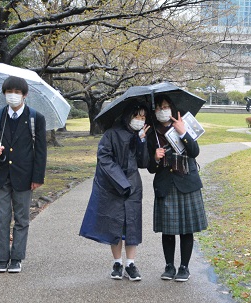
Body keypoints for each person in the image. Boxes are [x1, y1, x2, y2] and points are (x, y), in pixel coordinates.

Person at [0, 76, 47, 273]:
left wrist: (38, 177)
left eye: (17, 92)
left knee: (22, 218)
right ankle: (2, 258)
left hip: (25, 176)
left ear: (24, 95)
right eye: (9, 92)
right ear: (4, 94)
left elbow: (41, 150)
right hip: (1, 175)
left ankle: (17, 258)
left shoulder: (36, 118)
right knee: (1, 219)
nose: (13, 96)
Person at [79, 105, 150, 281]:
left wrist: (142, 141)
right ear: (128, 115)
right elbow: (104, 158)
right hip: (113, 186)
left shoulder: (139, 134)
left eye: (143, 117)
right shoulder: (111, 134)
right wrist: (120, 181)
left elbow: (143, 163)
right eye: (137, 116)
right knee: (115, 223)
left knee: (132, 224)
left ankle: (130, 264)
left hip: (133, 186)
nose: (140, 120)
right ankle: (117, 262)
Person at [147, 94, 208, 282]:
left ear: (172, 109)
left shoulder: (183, 125)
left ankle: (184, 267)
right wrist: (155, 158)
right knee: (168, 229)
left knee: (186, 229)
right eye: (158, 108)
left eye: (165, 107)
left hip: (186, 182)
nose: (162, 110)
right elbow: (150, 168)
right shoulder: (151, 133)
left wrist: (183, 132)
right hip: (165, 184)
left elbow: (194, 151)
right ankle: (169, 266)